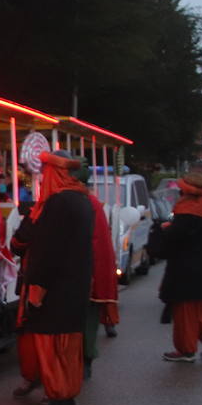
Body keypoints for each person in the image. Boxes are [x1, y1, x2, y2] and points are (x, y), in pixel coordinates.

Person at [9, 150, 94, 405]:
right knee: (66, 350)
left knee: (54, 348)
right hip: (73, 289)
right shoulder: (82, 199)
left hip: (55, 291)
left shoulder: (56, 204)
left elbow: (48, 251)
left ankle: (59, 402)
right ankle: (65, 398)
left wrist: (38, 287)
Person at [157, 173, 202, 361]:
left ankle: (186, 350)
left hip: (186, 269)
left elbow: (177, 237)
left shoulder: (188, 210)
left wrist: (166, 230)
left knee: (185, 312)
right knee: (197, 311)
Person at [74, 159, 119, 377]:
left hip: (83, 273)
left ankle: (85, 360)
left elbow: (95, 242)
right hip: (82, 271)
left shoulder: (87, 204)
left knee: (85, 321)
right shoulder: (90, 203)